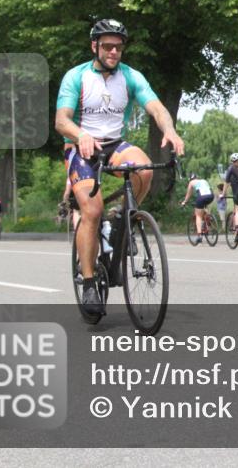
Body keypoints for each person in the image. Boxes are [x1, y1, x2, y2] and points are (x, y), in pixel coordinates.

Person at [55, 18, 185, 317]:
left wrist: (170, 130)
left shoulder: (130, 76)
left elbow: (156, 107)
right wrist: (80, 134)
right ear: (95, 46)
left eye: (119, 47)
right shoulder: (76, 76)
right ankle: (89, 282)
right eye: (107, 46)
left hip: (114, 144)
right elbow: (62, 120)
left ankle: (121, 219)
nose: (114, 51)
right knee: (91, 211)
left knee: (144, 168)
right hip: (81, 147)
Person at [180, 173, 215, 244]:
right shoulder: (204, 180)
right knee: (204, 206)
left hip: (201, 197)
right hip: (211, 196)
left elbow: (188, 194)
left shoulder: (191, 182)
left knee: (198, 216)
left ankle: (199, 235)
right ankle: (208, 218)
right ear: (197, 177)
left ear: (190, 179)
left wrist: (184, 202)